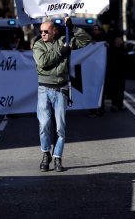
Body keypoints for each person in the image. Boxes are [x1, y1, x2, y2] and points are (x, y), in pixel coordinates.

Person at [32, 16, 91, 173]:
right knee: (44, 124)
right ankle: (46, 154)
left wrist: (72, 28)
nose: (43, 34)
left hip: (61, 88)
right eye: (41, 31)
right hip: (44, 89)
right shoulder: (38, 45)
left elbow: (86, 40)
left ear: (54, 31)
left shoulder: (65, 40)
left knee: (60, 127)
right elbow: (43, 62)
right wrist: (61, 51)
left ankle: (57, 157)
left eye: (46, 31)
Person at [107, 33, 128, 111]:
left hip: (121, 73)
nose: (118, 42)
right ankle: (114, 104)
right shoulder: (111, 50)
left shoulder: (123, 49)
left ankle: (121, 104)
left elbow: (126, 61)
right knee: (114, 89)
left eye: (119, 40)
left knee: (121, 89)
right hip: (113, 73)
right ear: (115, 41)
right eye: (117, 40)